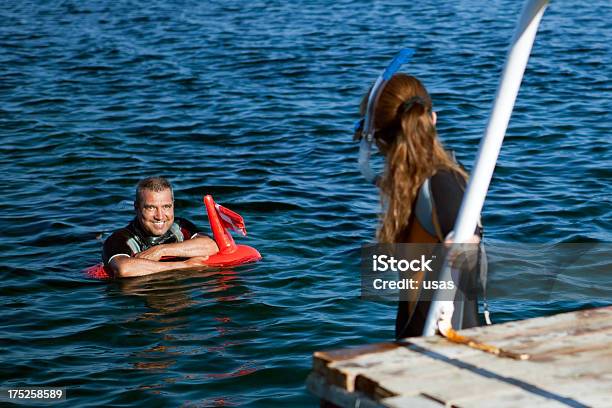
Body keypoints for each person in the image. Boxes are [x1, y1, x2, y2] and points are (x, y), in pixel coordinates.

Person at [355, 73, 483, 339]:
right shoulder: (411, 186)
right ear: (432, 119)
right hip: (422, 341)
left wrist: (467, 243)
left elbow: (468, 244)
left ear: (375, 139)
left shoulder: (441, 182)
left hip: (446, 347)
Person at [103, 177, 219, 278]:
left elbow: (211, 245)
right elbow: (124, 270)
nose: (160, 216)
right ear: (136, 208)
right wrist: (183, 266)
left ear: (173, 205)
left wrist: (161, 250)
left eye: (166, 206)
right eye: (151, 208)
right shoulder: (120, 238)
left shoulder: (179, 227)